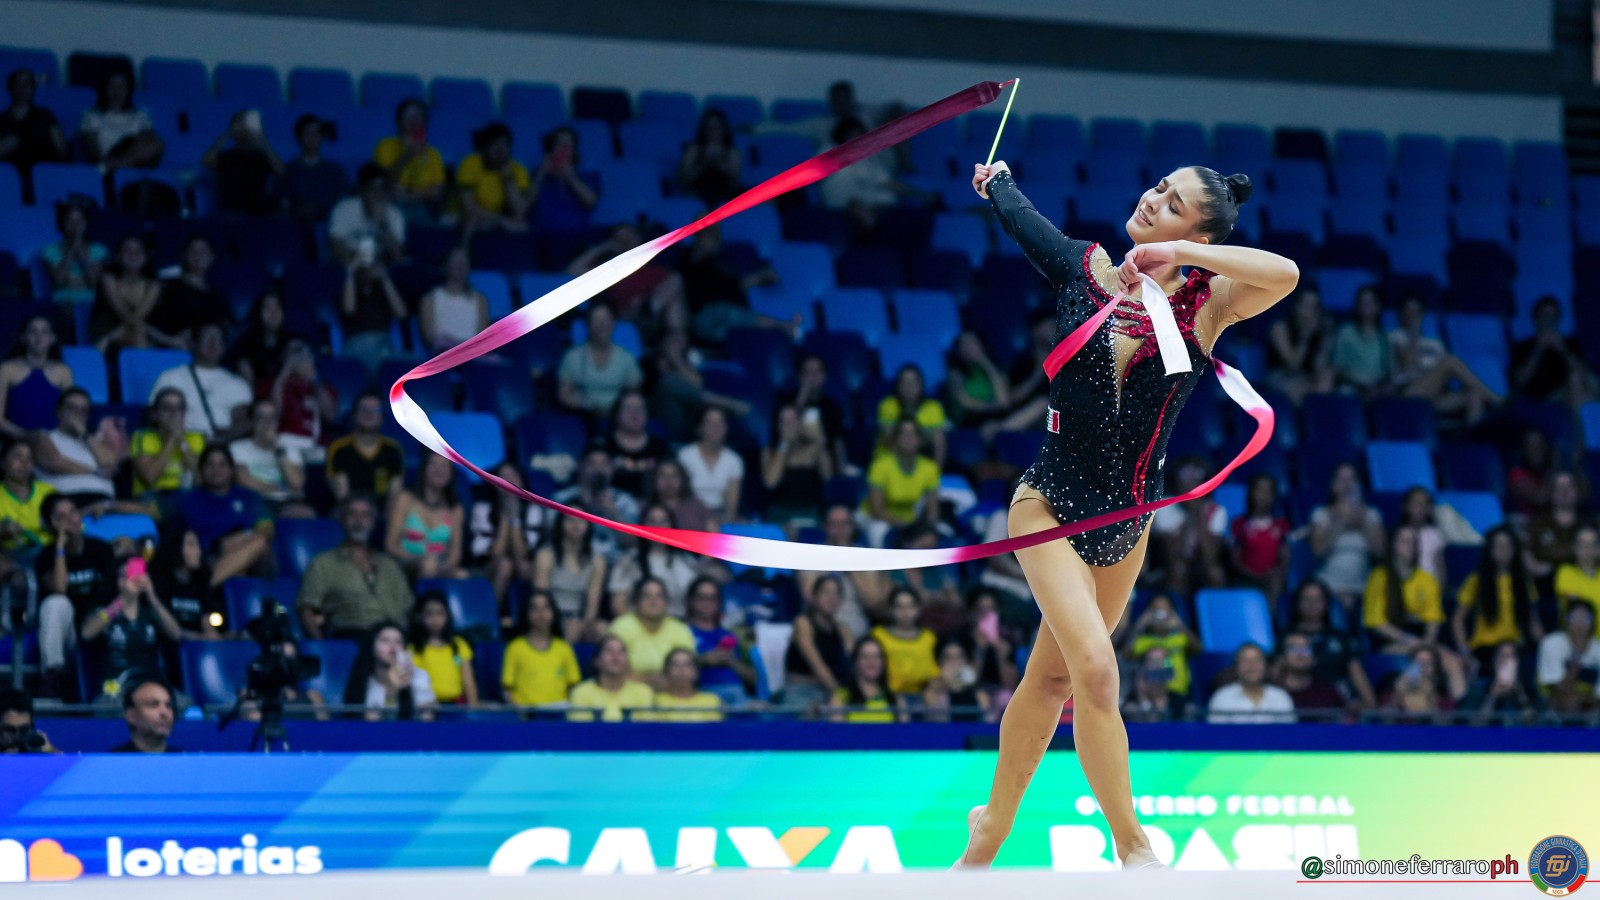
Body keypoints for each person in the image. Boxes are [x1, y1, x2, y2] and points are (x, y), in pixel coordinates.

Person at [956, 159, 1295, 871]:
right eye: (1158, 187)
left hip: (1127, 526)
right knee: (1097, 673)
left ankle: (987, 835)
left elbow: (1285, 274)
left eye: (1173, 204)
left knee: (1051, 680)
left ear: (1198, 235)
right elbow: (1024, 221)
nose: (1152, 199)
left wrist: (1179, 254)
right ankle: (1134, 846)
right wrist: (1000, 183)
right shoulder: (1086, 270)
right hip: (1049, 506)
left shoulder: (1209, 304)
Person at [33, 494, 118, 699]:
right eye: (61, 516)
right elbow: (60, 588)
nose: (70, 519)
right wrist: (60, 548)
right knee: (55, 603)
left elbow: (112, 593)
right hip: (69, 635)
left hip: (100, 626)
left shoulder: (102, 549)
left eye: (73, 511)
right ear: (52, 524)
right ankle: (53, 675)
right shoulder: (45, 556)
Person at [298, 493, 415, 640]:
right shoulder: (323, 563)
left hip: (396, 638)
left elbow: (409, 607)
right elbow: (307, 608)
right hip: (354, 636)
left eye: (365, 515)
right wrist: (323, 646)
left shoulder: (389, 565)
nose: (359, 521)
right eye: (352, 514)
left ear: (373, 521)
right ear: (342, 519)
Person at [1388, 294, 1502, 425]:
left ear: (1422, 315)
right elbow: (1411, 367)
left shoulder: (1434, 343)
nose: (1412, 316)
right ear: (1401, 314)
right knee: (1450, 361)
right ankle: (1495, 399)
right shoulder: (1395, 337)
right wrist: (1413, 336)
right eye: (1408, 312)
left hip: (1436, 395)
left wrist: (1438, 377)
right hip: (1409, 393)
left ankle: (1473, 435)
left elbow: (1445, 375)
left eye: (1416, 312)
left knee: (1474, 395)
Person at [81, 558, 184, 689]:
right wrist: (122, 601)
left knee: (184, 701)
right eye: (123, 576)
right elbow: (87, 633)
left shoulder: (150, 612)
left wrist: (152, 596)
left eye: (134, 575)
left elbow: (176, 634)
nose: (129, 581)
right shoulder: (107, 611)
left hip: (150, 684)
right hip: (114, 686)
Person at [1452, 526, 1541, 670]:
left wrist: (1546, 646)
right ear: (1490, 549)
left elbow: (1533, 622)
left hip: (1515, 647)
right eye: (1498, 545)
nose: (1503, 550)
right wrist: (1464, 651)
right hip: (1484, 648)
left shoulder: (1525, 582)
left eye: (1508, 545)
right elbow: (1458, 620)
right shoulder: (1475, 581)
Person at [148, 322, 253, 441]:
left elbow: (242, 422)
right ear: (194, 343)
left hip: (220, 446)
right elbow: (152, 417)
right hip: (177, 442)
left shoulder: (237, 384)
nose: (213, 344)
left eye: (218, 339)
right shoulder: (169, 377)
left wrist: (216, 442)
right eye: (207, 337)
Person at [1283, 579, 1376, 709]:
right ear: (1297, 602)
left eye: (1317, 599)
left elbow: (1358, 676)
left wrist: (1364, 703)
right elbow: (1277, 675)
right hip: (1295, 704)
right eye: (1306, 598)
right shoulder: (1285, 636)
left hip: (1337, 705)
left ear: (1327, 604)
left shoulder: (1341, 638)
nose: (1312, 604)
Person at [1308, 462, 1387, 611]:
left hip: (1364, 588)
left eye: (1352, 479)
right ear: (1333, 485)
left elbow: (1380, 552)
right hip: (1328, 586)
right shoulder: (1321, 514)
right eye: (1341, 479)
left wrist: (1363, 521)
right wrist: (1340, 521)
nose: (1347, 484)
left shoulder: (1372, 515)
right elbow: (1318, 551)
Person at [34, 388, 126, 512]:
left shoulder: (94, 441)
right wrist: (95, 472)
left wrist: (85, 436)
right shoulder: (44, 436)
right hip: (67, 501)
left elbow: (110, 465)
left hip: (104, 502)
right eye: (72, 408)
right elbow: (53, 462)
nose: (77, 414)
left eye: (84, 410)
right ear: (58, 411)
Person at [466, 461, 539, 618]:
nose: (509, 481)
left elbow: (522, 555)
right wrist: (506, 516)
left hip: (521, 565)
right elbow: (496, 554)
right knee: (505, 565)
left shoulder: (533, 510)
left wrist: (515, 518)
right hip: (485, 567)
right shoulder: (482, 509)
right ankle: (488, 617)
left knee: (533, 568)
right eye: (503, 477)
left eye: (513, 476)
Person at [1148, 456, 1229, 596]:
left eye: (1197, 473)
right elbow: (1172, 554)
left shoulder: (1216, 511)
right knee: (1179, 569)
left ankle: (1214, 608)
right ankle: (1177, 607)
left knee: (1215, 573)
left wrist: (1198, 515)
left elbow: (1210, 557)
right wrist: (1189, 515)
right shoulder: (1163, 507)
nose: (1191, 480)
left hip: (1201, 564)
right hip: (1166, 565)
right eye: (1185, 473)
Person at [1363, 525, 1447, 654]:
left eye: (1414, 542)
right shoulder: (1378, 577)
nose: (1410, 546)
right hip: (1389, 639)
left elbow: (1433, 618)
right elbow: (1375, 622)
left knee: (1454, 661)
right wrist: (1408, 640)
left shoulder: (1427, 579)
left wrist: (1428, 641)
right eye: (1405, 542)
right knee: (1423, 655)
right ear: (1393, 545)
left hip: (1420, 639)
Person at [607, 503, 700, 617]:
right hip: (640, 623)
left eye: (664, 521)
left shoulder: (687, 561)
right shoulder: (628, 561)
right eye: (652, 521)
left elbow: (699, 603)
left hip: (679, 623)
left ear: (672, 525)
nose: (658, 526)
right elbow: (618, 606)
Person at [385, 452, 467, 580]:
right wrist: (419, 560)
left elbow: (455, 554)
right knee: (427, 567)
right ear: (424, 469)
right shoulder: (405, 499)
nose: (438, 470)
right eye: (433, 464)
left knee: (462, 575)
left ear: (451, 474)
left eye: (444, 466)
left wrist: (443, 568)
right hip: (405, 563)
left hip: (438, 566)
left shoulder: (455, 509)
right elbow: (391, 545)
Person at [780, 574, 854, 711]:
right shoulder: (803, 623)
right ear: (814, 597)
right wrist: (840, 693)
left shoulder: (843, 630)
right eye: (826, 592)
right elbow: (818, 667)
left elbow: (853, 665)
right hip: (801, 691)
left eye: (836, 593)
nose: (831, 598)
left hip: (831, 691)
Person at [1510, 296, 1598, 410]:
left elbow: (1583, 371)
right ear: (1536, 319)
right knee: (1576, 383)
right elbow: (1519, 381)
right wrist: (1538, 350)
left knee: (1578, 379)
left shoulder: (1570, 343)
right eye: (1545, 315)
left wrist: (1563, 349)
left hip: (1576, 386)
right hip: (1544, 395)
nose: (1549, 320)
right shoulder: (1523, 346)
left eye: (1553, 315)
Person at [532, 507, 607, 641]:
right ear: (560, 523)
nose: (575, 524)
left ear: (589, 525)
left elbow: (592, 604)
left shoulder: (597, 561)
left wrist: (585, 623)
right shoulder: (546, 555)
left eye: (581, 520)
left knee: (604, 629)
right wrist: (558, 621)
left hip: (579, 619)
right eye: (570, 519)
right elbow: (541, 599)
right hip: (551, 616)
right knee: (571, 629)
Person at [609, 577, 696, 688]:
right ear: (636, 601)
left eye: (659, 596)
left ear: (666, 602)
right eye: (646, 596)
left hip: (672, 691)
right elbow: (611, 672)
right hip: (628, 692)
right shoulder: (621, 627)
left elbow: (689, 672)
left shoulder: (680, 629)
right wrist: (648, 680)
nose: (653, 602)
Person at [553, 448, 639, 561]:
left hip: (617, 563)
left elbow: (632, 543)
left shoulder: (626, 502)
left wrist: (614, 514)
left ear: (612, 468)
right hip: (575, 562)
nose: (599, 469)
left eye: (604, 463)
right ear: (580, 467)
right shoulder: (562, 499)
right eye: (592, 463)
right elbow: (551, 538)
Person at [558, 304, 643, 418]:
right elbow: (564, 394)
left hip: (618, 417)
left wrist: (618, 410)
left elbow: (634, 393)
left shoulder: (627, 358)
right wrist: (586, 407)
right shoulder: (573, 357)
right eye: (597, 320)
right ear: (588, 324)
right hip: (582, 416)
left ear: (613, 322)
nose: (602, 325)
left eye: (606, 319)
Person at [502, 590, 582, 710]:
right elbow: (507, 688)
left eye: (546, 608)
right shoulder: (515, 647)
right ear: (526, 613)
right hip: (525, 714)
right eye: (535, 608)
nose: (541, 614)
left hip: (558, 713)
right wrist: (519, 712)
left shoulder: (564, 648)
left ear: (553, 613)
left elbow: (573, 686)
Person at [228, 398, 310, 515]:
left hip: (286, 504)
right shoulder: (237, 448)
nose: (268, 422)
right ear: (252, 421)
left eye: (272, 417)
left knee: (304, 513)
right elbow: (247, 483)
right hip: (253, 501)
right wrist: (282, 488)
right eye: (261, 417)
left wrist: (277, 449)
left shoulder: (289, 450)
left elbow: (296, 484)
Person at [325, 391, 407, 507]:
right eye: (364, 409)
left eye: (375, 410)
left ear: (382, 417)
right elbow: (342, 496)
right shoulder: (338, 449)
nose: (369, 413)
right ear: (354, 414)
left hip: (384, 514)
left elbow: (394, 496)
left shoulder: (393, 450)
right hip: (349, 513)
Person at [683, 577, 754, 707]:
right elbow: (674, 669)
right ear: (691, 600)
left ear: (719, 602)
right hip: (704, 695)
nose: (707, 603)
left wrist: (732, 662)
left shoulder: (730, 635)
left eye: (712, 598)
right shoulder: (683, 633)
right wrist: (703, 660)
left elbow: (754, 678)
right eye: (702, 598)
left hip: (739, 696)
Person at [344, 622, 436, 721]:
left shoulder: (419, 676)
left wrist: (408, 687)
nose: (393, 646)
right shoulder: (364, 681)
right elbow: (368, 723)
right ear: (371, 646)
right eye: (385, 640)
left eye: (398, 642)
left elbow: (427, 719)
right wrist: (392, 691)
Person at [147, 236, 231, 345]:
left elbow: (227, 327)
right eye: (193, 251)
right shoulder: (168, 287)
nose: (198, 255)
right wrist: (171, 341)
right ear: (184, 255)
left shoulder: (217, 295)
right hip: (173, 350)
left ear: (211, 257)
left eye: (203, 251)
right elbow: (148, 326)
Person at [0, 314, 73, 439]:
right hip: (17, 440)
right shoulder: (7, 369)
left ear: (52, 338)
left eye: (44, 332)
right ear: (23, 337)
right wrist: (27, 436)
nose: (39, 336)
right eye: (33, 331)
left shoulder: (63, 371)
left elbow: (70, 415)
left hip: (54, 441)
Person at [762, 403, 832, 531]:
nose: (788, 426)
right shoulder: (770, 451)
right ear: (778, 425)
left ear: (801, 423)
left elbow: (828, 477)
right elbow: (771, 482)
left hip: (811, 512)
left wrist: (820, 441)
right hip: (780, 514)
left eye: (792, 421)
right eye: (784, 422)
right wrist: (784, 444)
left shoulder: (814, 448)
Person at [1116, 594, 1198, 703]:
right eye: (1155, 610)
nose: (1160, 615)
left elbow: (1197, 648)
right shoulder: (1143, 640)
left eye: (1165, 610)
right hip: (1151, 693)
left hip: (1177, 693)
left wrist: (1179, 624)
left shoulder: (1180, 638)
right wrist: (1140, 625)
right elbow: (1126, 655)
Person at [201, 108, 284, 215]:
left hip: (258, 212)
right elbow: (206, 162)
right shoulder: (226, 156)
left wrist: (262, 139)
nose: (245, 129)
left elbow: (281, 171)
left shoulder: (262, 157)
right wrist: (229, 134)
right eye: (241, 124)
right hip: (229, 211)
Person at [90, 235, 163, 354]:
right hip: (109, 327)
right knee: (139, 331)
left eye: (138, 251)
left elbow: (139, 316)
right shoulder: (109, 279)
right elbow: (122, 313)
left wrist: (113, 335)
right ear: (118, 255)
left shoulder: (153, 284)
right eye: (127, 250)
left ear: (145, 256)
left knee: (138, 331)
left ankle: (110, 341)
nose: (133, 255)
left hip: (133, 331)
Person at [372, 98, 446, 216]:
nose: (413, 120)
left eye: (417, 116)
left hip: (422, 205)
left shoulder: (433, 153)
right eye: (408, 116)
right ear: (398, 120)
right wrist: (408, 156)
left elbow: (437, 191)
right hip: (392, 204)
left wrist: (409, 193)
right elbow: (384, 182)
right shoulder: (385, 146)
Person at [78, 71, 163, 172]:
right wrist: (103, 159)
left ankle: (113, 166)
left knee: (156, 144)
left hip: (135, 162)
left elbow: (148, 142)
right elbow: (91, 146)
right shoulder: (91, 115)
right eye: (112, 85)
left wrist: (123, 159)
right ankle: (111, 167)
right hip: (106, 157)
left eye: (122, 86)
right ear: (104, 88)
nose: (117, 91)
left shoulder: (141, 115)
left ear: (128, 90)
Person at [456, 121, 532, 235]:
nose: (500, 151)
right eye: (494, 144)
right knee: (471, 221)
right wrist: (501, 221)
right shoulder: (471, 163)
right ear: (485, 147)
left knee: (522, 226)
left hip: (495, 220)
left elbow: (520, 210)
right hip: (461, 217)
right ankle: (461, 247)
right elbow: (469, 207)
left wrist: (507, 178)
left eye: (504, 145)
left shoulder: (518, 170)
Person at [863, 418, 940, 531]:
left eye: (913, 434)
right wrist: (903, 526)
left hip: (912, 520)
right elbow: (877, 510)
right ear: (895, 439)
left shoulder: (930, 468)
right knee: (878, 530)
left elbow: (933, 510)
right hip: (877, 519)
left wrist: (929, 528)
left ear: (920, 440)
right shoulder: (880, 466)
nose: (909, 438)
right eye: (904, 434)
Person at [340, 251, 408, 376]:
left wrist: (385, 278)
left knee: (415, 365)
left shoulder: (383, 290)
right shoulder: (348, 288)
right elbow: (349, 309)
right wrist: (350, 273)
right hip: (357, 345)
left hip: (384, 345)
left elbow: (401, 312)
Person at [149, 525, 222, 640]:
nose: (198, 551)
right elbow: (173, 633)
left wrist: (213, 636)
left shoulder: (201, 582)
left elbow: (207, 623)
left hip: (198, 647)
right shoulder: (160, 582)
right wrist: (198, 637)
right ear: (176, 546)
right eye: (191, 545)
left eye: (198, 545)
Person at [1265, 286, 1335, 405]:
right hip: (1281, 376)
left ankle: (1315, 412)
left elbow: (1319, 367)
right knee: (1297, 388)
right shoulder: (1280, 328)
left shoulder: (1320, 330)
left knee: (1328, 376)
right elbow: (1292, 365)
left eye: (1315, 307)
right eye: (1307, 305)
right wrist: (1305, 337)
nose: (1310, 311)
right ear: (1296, 306)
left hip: (1307, 377)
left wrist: (1325, 339)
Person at [407, 592, 479, 706]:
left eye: (440, 613)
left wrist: (474, 707)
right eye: (429, 613)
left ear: (447, 616)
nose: (435, 619)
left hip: (456, 706)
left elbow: (468, 680)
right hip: (426, 707)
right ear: (420, 617)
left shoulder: (458, 645)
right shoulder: (413, 649)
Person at [330, 163, 407, 267]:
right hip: (348, 264)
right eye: (373, 188)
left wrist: (382, 225)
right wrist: (359, 265)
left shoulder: (395, 214)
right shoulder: (343, 209)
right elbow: (336, 246)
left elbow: (398, 255)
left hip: (381, 266)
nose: (378, 194)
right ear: (362, 189)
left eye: (383, 188)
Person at [1229, 473, 1290, 601]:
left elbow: (1285, 557)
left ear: (1273, 496)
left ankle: (1272, 613)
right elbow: (1235, 558)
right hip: (1245, 578)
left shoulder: (1281, 525)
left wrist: (1273, 572)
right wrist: (1251, 574)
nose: (1263, 495)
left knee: (1276, 580)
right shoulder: (1239, 524)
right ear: (1251, 493)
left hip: (1271, 578)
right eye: (1259, 490)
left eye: (1267, 491)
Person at [0, 67, 67, 184]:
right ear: (10, 88)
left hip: (46, 177)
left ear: (33, 88)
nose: (23, 87)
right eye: (18, 83)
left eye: (27, 83)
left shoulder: (46, 116)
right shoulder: (1, 120)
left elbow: (62, 150)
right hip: (9, 179)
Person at [870, 587, 940, 697]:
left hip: (924, 696)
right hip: (887, 696)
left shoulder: (929, 637)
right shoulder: (878, 636)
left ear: (918, 609)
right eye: (899, 607)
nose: (905, 611)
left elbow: (934, 673)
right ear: (890, 609)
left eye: (910, 606)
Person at [676, 406, 744, 519]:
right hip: (690, 513)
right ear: (699, 428)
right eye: (710, 422)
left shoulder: (734, 460)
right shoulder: (685, 456)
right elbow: (680, 496)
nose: (716, 427)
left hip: (720, 515)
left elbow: (731, 506)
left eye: (720, 422)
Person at [876, 364, 949, 468]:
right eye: (904, 382)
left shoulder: (934, 407)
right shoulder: (887, 405)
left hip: (921, 459)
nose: (909, 386)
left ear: (921, 385)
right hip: (889, 461)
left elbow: (938, 439)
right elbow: (890, 438)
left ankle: (935, 472)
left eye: (913, 382)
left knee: (938, 435)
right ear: (898, 386)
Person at [1524, 471, 1595, 579]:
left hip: (1587, 583)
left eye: (1569, 486)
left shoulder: (1590, 524)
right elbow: (1527, 556)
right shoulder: (1538, 524)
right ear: (1551, 492)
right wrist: (1546, 574)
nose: (1564, 492)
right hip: (1546, 584)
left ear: (1578, 491)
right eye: (1559, 488)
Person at [529, 126, 599, 234]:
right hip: (543, 236)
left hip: (579, 235)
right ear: (551, 148)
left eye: (568, 145)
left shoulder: (588, 177)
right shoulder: (536, 175)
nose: (564, 149)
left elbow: (591, 202)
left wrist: (571, 178)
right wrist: (541, 174)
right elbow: (526, 206)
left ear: (575, 151)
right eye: (559, 144)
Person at [420, 248, 491, 354]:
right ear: (445, 266)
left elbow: (482, 338)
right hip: (443, 355)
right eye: (455, 262)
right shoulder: (430, 299)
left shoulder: (480, 300)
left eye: (464, 262)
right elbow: (430, 337)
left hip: (472, 355)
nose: (460, 266)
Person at [567, 635, 653, 722]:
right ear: (597, 661)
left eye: (621, 651)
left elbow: (647, 728)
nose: (616, 656)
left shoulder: (643, 692)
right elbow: (581, 729)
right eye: (609, 650)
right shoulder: (581, 692)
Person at [281, 114, 349, 224]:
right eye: (307, 133)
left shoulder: (335, 171)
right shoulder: (289, 172)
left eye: (316, 133)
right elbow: (282, 204)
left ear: (322, 137)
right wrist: (297, 210)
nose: (312, 137)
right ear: (299, 138)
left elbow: (344, 204)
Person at [603, 390, 670, 499]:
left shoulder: (660, 447)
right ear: (617, 413)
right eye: (628, 408)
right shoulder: (603, 445)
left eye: (640, 408)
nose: (634, 413)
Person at [1536, 601, 1600, 715]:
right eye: (1574, 617)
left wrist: (1582, 699)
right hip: (1553, 701)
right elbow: (1557, 689)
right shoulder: (1551, 643)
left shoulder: (1598, 648)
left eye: (1586, 618)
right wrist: (1577, 655)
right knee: (1569, 702)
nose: (1580, 623)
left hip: (1589, 704)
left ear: (1593, 622)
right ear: (1566, 620)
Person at [1205, 642, 1295, 723]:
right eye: (1245, 661)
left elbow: (1289, 732)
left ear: (1265, 666)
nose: (1251, 666)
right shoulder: (1222, 697)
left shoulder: (1280, 697)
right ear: (1236, 666)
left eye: (1257, 660)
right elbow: (1215, 734)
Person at [40, 198, 106, 304]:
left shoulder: (99, 250)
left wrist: (80, 252)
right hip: (63, 302)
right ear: (62, 224)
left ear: (86, 223)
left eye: (80, 220)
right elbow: (59, 280)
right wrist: (72, 249)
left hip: (93, 302)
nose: (76, 226)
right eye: (70, 221)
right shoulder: (50, 250)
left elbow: (93, 281)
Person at [1458, 640, 1537, 726]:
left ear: (1518, 663)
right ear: (1494, 661)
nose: (1505, 660)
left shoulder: (1530, 691)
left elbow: (1537, 726)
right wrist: (1492, 697)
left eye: (1510, 656)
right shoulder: (1477, 690)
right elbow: (1470, 728)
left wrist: (1520, 693)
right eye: (1501, 655)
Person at [1330, 285, 1390, 396]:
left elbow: (1387, 370)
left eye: (1370, 302)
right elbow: (1337, 366)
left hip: (1377, 388)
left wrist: (1376, 386)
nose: (1366, 305)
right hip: (1351, 386)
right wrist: (1360, 382)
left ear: (1378, 306)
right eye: (1362, 301)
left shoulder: (1384, 338)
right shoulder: (1345, 332)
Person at [945, 331, 1012, 429]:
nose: (968, 348)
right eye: (963, 344)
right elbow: (965, 401)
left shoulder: (997, 370)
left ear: (982, 345)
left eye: (971, 343)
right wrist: (994, 406)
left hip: (997, 418)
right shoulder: (955, 373)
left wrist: (985, 362)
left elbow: (1004, 400)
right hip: (970, 421)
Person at [1273, 632, 1347, 720]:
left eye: (1306, 649)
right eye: (1293, 649)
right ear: (1282, 657)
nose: (1300, 654)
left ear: (1314, 657)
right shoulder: (1272, 694)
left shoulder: (1329, 693)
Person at [830, 636, 904, 723]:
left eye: (877, 656)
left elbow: (904, 730)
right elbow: (836, 730)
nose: (872, 662)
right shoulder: (841, 697)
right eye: (865, 656)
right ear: (855, 662)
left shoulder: (894, 698)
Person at [1382, 644, 1461, 724]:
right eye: (1418, 663)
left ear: (1436, 669)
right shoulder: (1393, 693)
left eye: (1428, 663)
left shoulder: (1445, 704)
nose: (1422, 668)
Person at [677, 109, 741, 206]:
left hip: (725, 194)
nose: (713, 131)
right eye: (709, 127)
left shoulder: (732, 152)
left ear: (724, 129)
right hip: (699, 193)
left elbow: (734, 183)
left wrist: (719, 164)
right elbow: (683, 181)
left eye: (717, 127)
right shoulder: (693, 150)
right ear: (703, 129)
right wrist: (704, 162)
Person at [642, 648, 724, 723]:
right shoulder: (656, 701)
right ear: (666, 671)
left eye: (687, 665)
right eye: (675, 665)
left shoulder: (711, 701)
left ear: (696, 671)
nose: (681, 669)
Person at [923, 641, 992, 723]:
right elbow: (937, 723)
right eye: (949, 658)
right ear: (940, 662)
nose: (954, 662)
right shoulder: (932, 694)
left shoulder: (981, 696)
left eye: (959, 657)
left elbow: (987, 722)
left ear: (966, 661)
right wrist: (948, 683)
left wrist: (960, 684)